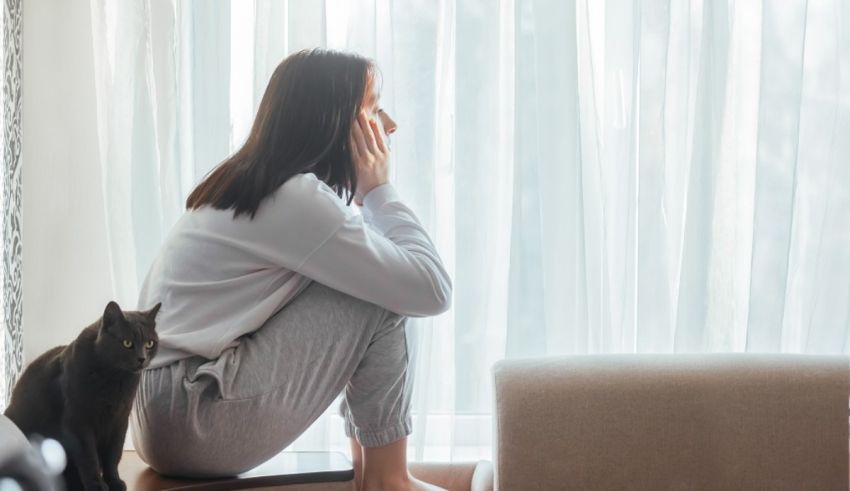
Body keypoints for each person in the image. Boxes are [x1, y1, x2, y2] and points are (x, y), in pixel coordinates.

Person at [130, 48, 452, 491]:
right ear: (336, 123)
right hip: (192, 415)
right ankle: (385, 479)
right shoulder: (294, 200)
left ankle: (373, 474)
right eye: (375, 110)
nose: (389, 126)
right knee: (382, 292)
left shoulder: (253, 187)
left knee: (376, 277)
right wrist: (378, 191)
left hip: (161, 413)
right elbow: (431, 288)